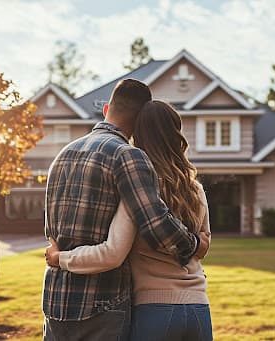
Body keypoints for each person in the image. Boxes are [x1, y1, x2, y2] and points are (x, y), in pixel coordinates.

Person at [42, 80, 207, 341]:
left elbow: (51, 231)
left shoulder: (62, 155)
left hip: (56, 302)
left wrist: (58, 258)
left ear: (107, 108)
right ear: (140, 120)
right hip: (102, 304)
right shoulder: (127, 155)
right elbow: (157, 225)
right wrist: (195, 243)